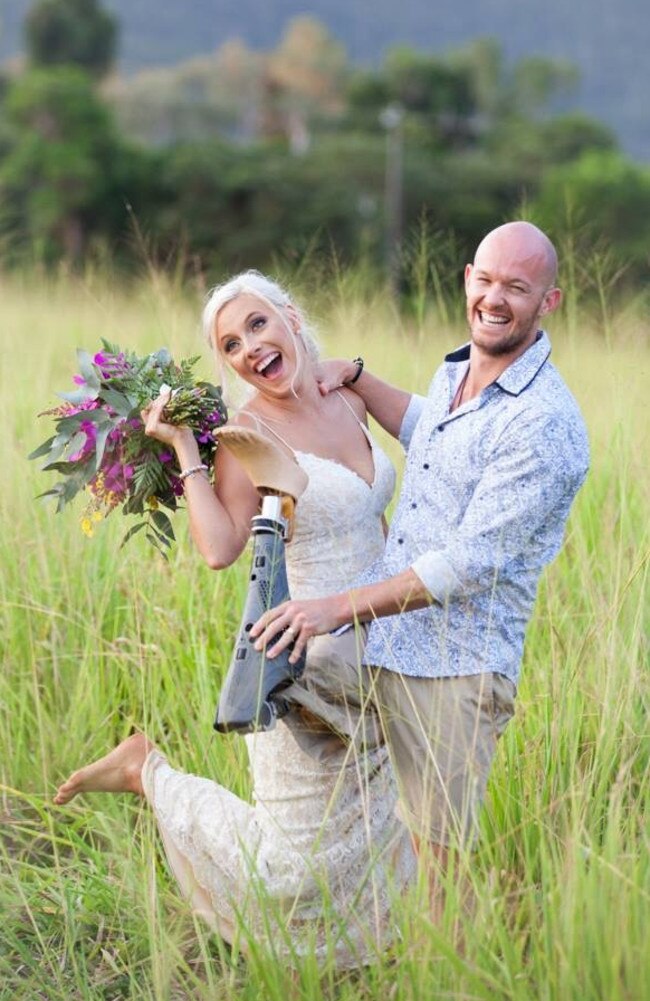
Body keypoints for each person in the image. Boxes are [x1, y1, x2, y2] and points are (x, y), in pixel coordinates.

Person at [54, 271, 416, 970]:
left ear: (289, 317)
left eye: (256, 325)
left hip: (381, 650)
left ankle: (388, 964)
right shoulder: (246, 429)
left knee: (375, 828)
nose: (249, 347)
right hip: (301, 654)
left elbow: (377, 518)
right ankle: (147, 772)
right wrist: (189, 447)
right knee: (291, 865)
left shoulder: (344, 397)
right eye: (230, 344)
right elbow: (221, 548)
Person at [250, 221, 590, 915]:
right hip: (389, 648)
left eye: (516, 289)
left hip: (457, 675)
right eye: (486, 280)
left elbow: (464, 564)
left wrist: (334, 608)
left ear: (548, 301)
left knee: (439, 872)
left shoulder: (546, 424)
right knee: (274, 682)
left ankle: (450, 977)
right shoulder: (460, 370)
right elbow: (428, 428)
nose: (495, 299)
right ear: (468, 277)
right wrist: (356, 376)